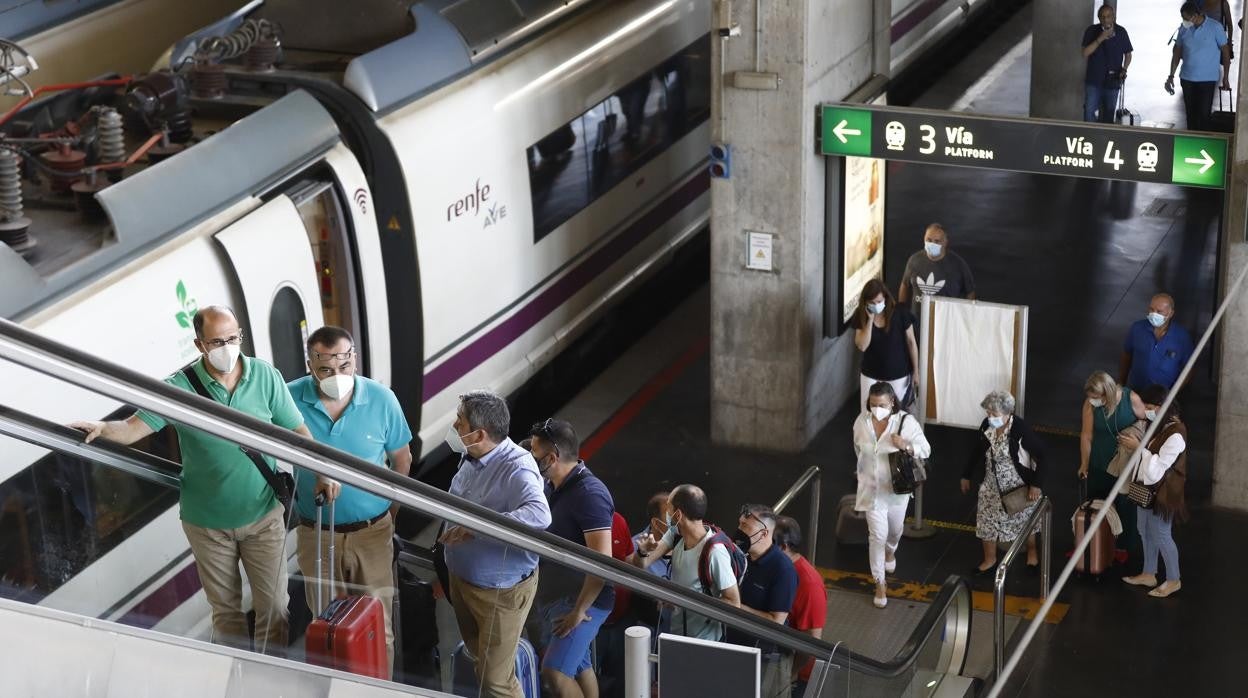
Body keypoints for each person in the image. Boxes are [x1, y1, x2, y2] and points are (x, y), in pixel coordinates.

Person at [69, 306, 315, 653]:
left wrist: (322, 471)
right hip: (207, 525)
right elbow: (132, 429)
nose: (227, 347)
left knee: (274, 608)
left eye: (233, 338)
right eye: (217, 341)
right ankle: (235, 680)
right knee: (226, 614)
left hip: (262, 516)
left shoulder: (265, 377)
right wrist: (103, 428)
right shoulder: (179, 389)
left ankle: (265, 684)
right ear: (200, 345)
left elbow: (298, 431)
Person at [287, 326, 412, 677]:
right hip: (316, 534)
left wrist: (388, 514)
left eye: (344, 365)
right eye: (326, 369)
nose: (337, 376)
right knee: (326, 627)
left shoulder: (381, 399)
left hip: (372, 533)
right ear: (310, 364)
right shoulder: (289, 399)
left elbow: (401, 461)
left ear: (354, 358)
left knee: (378, 626)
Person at [441, 390, 552, 698]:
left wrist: (476, 528)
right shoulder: (472, 455)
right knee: (480, 663)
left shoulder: (518, 467)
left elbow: (539, 514)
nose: (454, 425)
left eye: (460, 422)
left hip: (499, 594)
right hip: (464, 581)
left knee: (496, 681)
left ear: (479, 434)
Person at [528, 419, 615, 698]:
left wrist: (578, 611)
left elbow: (603, 564)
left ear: (551, 458)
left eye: (533, 453)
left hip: (585, 601)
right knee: (578, 665)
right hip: (561, 595)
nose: (529, 458)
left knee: (553, 671)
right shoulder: (554, 485)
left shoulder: (590, 495)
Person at [853, 382, 931, 608]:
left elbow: (925, 449)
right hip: (869, 487)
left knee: (894, 531)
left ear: (892, 403)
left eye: (882, 404)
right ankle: (880, 583)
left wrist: (906, 445)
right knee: (877, 535)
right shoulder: (861, 422)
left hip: (897, 489)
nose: (877, 408)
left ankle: (891, 552)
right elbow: (858, 449)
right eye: (873, 404)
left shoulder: (905, 422)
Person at [630, 484, 741, 640]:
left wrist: (686, 602)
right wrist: (643, 551)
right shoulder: (675, 534)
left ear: (678, 515)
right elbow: (642, 564)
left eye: (669, 508)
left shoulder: (715, 552)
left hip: (705, 641)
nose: (667, 513)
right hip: (677, 634)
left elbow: (734, 602)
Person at [961, 390, 1046, 575]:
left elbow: (1043, 454)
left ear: (1008, 413)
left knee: (1024, 520)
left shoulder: (1019, 430)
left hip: (1017, 485)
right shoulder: (987, 426)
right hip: (991, 484)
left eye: (994, 414)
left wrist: (1036, 484)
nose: (990, 417)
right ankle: (989, 560)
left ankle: (1032, 552)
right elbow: (977, 450)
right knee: (986, 521)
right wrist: (966, 475)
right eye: (988, 413)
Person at [1119, 385, 1188, 598]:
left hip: (1163, 494)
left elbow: (1157, 470)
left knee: (1161, 534)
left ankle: (1173, 579)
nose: (1146, 411)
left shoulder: (1176, 434)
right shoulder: (1161, 424)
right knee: (1144, 528)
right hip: (1148, 490)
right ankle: (1149, 572)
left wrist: (1138, 447)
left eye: (1149, 407)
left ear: (1161, 406)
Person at [727, 504, 797, 698]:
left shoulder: (782, 570)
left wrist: (736, 607)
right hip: (733, 646)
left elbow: (777, 621)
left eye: (745, 527)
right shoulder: (739, 556)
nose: (739, 531)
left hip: (765, 657)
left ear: (764, 533)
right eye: (739, 524)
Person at [1080, 371, 1149, 557]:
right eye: (1090, 397)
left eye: (1095, 397)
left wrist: (1136, 440)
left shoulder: (1131, 399)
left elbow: (1148, 421)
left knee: (1125, 506)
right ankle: (1098, 543)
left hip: (1125, 465)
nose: (1092, 400)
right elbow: (1086, 435)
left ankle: (1124, 548)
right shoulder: (1090, 405)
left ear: (1108, 393)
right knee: (1097, 502)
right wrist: (1084, 463)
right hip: (1100, 461)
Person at [773, 516, 826, 698]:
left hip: (798, 676)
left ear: (783, 547)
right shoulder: (777, 567)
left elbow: (812, 641)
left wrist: (789, 674)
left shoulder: (810, 585)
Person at [853, 279, 919, 411]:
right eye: (871, 303)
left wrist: (916, 371)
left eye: (879, 302)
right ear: (865, 303)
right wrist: (870, 321)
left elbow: (911, 342)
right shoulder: (861, 315)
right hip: (871, 374)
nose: (876, 305)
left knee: (896, 413)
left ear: (885, 298)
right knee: (868, 414)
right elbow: (862, 346)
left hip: (898, 374)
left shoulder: (900, 313)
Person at [1168, 2, 1231, 131]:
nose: (1184, 21)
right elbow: (1177, 52)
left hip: (1207, 80)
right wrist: (1171, 75)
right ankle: (1191, 144)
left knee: (1203, 116)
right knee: (1190, 116)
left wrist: (1226, 77)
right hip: (1187, 79)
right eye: (1183, 18)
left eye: (1186, 18)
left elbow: (1225, 52)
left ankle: (1203, 145)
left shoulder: (1215, 27)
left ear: (1196, 15)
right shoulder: (1183, 29)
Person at [896, 223, 977, 317]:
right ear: (924, 239)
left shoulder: (958, 264)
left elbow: (970, 292)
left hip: (946, 321)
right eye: (929, 240)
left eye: (937, 241)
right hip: (917, 322)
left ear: (945, 242)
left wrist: (967, 315)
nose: (932, 244)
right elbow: (904, 284)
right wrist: (901, 312)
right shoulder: (914, 260)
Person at [1119, 294, 1195, 392]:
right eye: (1151, 309)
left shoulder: (1182, 337)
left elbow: (1189, 368)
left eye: (1159, 311)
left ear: (1171, 313)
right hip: (1136, 392)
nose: (1154, 314)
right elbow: (1126, 355)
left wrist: (1174, 393)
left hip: (1164, 396)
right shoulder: (1137, 329)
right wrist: (1121, 383)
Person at [1081, 4, 1134, 123]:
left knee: (1109, 114)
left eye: (1109, 16)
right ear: (1099, 18)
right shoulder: (1092, 30)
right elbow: (1085, 53)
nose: (1106, 19)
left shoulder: (1121, 32)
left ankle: (1104, 139)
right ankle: (1090, 137)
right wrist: (1101, 38)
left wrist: (1124, 69)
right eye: (1102, 17)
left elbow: (1128, 54)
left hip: (1113, 80)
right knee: (1089, 112)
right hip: (1094, 80)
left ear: (1114, 17)